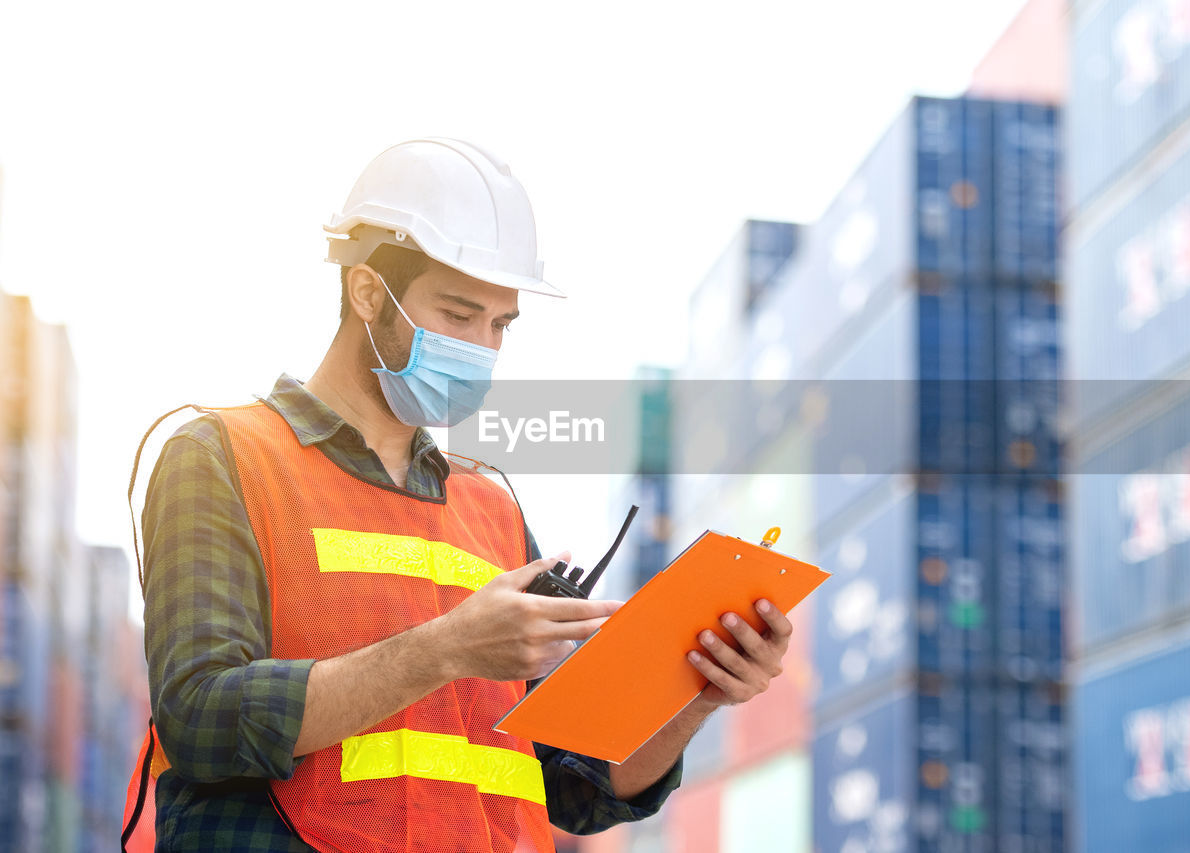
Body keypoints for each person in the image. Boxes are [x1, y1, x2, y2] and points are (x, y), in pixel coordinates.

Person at [123, 139, 794, 852]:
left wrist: (699, 691)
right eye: (458, 314)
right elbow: (199, 719)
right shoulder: (222, 457)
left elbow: (575, 786)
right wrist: (445, 648)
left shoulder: (491, 508)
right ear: (367, 292)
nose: (483, 346)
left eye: (500, 325)